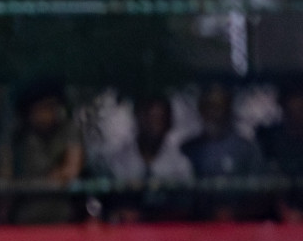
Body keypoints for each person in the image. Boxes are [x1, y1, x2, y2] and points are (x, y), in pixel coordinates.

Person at [0, 80, 83, 226]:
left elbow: (71, 169)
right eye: (44, 107)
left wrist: (50, 179)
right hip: (25, 218)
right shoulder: (17, 138)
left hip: (61, 218)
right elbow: (4, 181)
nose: (50, 113)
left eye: (53, 106)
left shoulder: (68, 130)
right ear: (30, 111)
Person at [98, 94, 194, 223]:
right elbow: (108, 202)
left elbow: (185, 208)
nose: (154, 126)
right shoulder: (118, 160)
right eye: (149, 118)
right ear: (138, 119)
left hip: (166, 232)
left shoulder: (180, 164)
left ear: (168, 124)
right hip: (126, 232)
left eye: (160, 120)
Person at [183, 82, 265, 221]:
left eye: (220, 107)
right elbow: (183, 196)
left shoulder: (246, 148)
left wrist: (236, 213)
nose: (214, 113)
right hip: (198, 225)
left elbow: (260, 193)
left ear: (229, 109)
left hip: (240, 224)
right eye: (209, 107)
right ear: (201, 110)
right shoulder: (189, 149)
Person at [258, 83, 303, 221]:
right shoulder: (267, 138)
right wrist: (283, 210)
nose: (297, 107)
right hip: (274, 217)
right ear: (283, 105)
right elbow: (261, 179)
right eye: (293, 100)